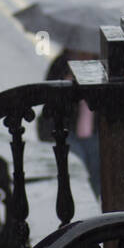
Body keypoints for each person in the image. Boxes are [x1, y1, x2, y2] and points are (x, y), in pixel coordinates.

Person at [36, 48, 101, 199]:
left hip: (94, 132)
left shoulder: (101, 64)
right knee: (76, 166)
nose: (84, 54)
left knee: (96, 169)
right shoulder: (61, 65)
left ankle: (94, 201)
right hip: (67, 131)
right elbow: (49, 104)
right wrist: (68, 83)